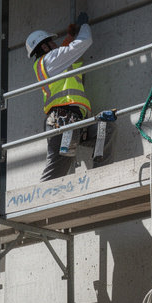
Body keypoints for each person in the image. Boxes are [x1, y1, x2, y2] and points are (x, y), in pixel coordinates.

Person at [27, 14, 114, 181]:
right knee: (56, 172)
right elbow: (83, 42)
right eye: (52, 42)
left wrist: (69, 37)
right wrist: (84, 26)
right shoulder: (50, 59)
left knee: (106, 128)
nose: (56, 44)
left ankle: (100, 176)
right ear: (44, 46)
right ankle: (41, 196)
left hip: (76, 121)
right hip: (63, 121)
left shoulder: (50, 62)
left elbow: (65, 55)